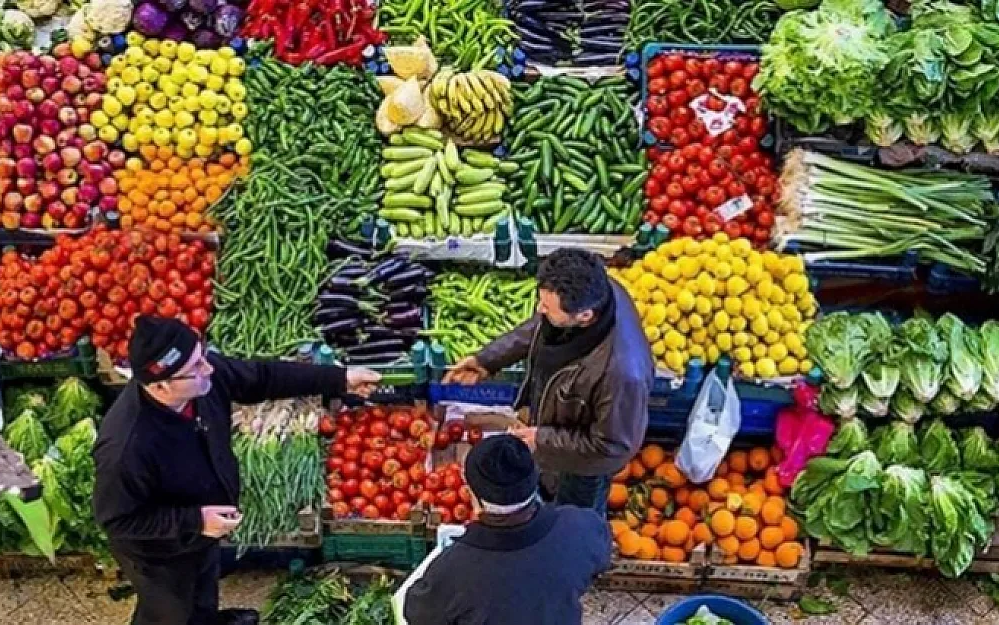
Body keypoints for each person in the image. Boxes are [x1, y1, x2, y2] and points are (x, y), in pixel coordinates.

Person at [93, 316, 381, 625]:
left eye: (202, 356)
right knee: (172, 609)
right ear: (162, 385)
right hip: (161, 552)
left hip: (201, 528)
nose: (209, 369)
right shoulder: (127, 447)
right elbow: (117, 521)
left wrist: (340, 378)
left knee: (203, 586)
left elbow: (261, 377)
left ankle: (209, 618)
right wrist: (195, 520)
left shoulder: (201, 382)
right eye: (196, 368)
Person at [445, 248, 653, 515]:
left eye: (547, 307)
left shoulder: (622, 374)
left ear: (585, 316)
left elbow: (612, 447)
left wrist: (542, 439)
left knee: (573, 517)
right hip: (557, 428)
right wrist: (488, 360)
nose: (538, 310)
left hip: (581, 466)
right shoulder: (596, 289)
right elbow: (541, 326)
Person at [403, 435, 612, 625]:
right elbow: (600, 559)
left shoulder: (451, 571)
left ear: (472, 495)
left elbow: (416, 613)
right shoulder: (582, 528)